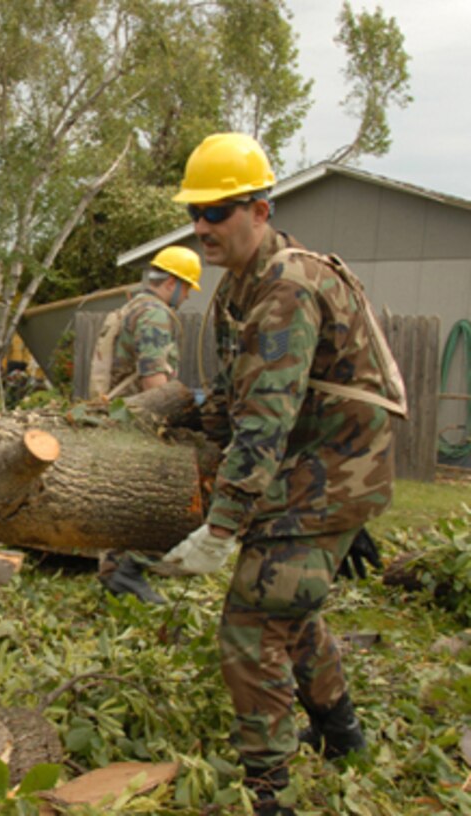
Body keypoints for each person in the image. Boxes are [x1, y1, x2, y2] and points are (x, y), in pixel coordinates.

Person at [162, 133, 404, 815]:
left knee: (252, 621)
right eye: (196, 214)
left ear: (260, 210)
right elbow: (234, 407)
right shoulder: (241, 287)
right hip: (316, 465)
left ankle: (269, 794)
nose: (204, 227)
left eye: (221, 211)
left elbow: (265, 424)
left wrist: (222, 529)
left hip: (330, 469)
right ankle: (342, 733)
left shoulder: (285, 289)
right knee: (291, 606)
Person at [88, 245, 203, 605]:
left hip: (118, 414)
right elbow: (154, 378)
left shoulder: (129, 308)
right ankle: (128, 572)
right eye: (186, 288)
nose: (185, 297)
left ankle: (115, 573)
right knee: (156, 499)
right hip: (139, 417)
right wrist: (176, 418)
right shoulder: (154, 314)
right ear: (171, 282)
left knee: (120, 498)